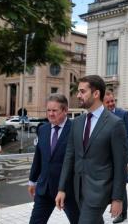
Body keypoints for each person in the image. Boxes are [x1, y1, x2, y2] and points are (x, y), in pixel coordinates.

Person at [56, 75, 127, 224]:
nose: (78, 95)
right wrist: (61, 188)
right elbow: (69, 156)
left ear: (96, 94)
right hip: (78, 188)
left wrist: (118, 198)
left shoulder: (115, 124)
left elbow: (120, 165)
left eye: (82, 91)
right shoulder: (77, 123)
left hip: (100, 190)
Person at [28, 94, 79, 224]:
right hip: (44, 189)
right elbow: (39, 157)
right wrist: (32, 180)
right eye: (48, 110)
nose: (50, 114)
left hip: (69, 191)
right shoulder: (43, 129)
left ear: (65, 110)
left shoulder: (76, 129)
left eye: (55, 110)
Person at [103, 90, 128, 223]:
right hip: (104, 159)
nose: (111, 104)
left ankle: (123, 213)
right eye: (107, 102)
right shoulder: (100, 116)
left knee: (120, 185)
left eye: (112, 101)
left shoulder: (123, 114)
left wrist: (125, 157)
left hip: (119, 157)